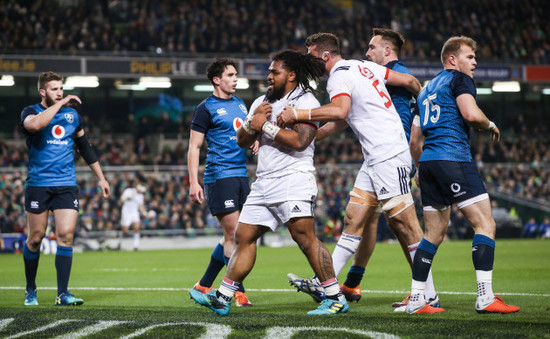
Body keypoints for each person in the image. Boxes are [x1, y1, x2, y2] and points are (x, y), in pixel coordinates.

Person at [278, 33, 435, 309]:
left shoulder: (339, 75)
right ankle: (324, 281)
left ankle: (427, 294)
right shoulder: (364, 66)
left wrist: (298, 115)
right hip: (374, 157)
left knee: (406, 225)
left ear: (324, 56)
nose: (308, 61)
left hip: (388, 153)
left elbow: (340, 110)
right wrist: (306, 138)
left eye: (310, 55)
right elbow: (408, 82)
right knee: (353, 217)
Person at [190, 50, 349, 316]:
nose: (269, 77)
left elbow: (301, 140)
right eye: (269, 72)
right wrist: (252, 125)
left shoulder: (304, 100)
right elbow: (241, 140)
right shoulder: (261, 102)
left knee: (305, 238)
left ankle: (334, 297)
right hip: (264, 182)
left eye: (275, 72)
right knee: (243, 238)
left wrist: (265, 127)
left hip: (294, 179)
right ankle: (224, 296)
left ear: (291, 74)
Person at [406, 36, 519, 314]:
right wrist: (490, 124)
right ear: (453, 60)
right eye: (470, 56)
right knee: (485, 224)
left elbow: (414, 142)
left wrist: (420, 169)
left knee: (432, 234)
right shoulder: (459, 79)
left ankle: (418, 299)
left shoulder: (424, 90)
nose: (475, 62)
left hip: (429, 164)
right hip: (454, 158)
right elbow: (470, 114)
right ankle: (486, 297)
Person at [21, 71, 110, 306]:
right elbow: (36, 126)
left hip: (66, 185)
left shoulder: (73, 116)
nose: (59, 92)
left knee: (66, 236)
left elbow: (85, 147)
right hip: (39, 184)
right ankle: (31, 289)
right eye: (54, 89)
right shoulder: (30, 112)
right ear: (43, 92)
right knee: (36, 238)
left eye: (61, 88)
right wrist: (60, 103)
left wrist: (101, 178)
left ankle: (62, 294)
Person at [187, 58, 254, 307]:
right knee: (235, 235)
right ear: (217, 80)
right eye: (230, 75)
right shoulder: (205, 108)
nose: (235, 79)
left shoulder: (240, 104)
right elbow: (194, 147)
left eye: (236, 74)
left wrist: (253, 140)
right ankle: (238, 292)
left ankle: (204, 285)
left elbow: (246, 133)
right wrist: (193, 182)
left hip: (240, 176)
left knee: (235, 235)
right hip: (219, 176)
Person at [118, 181, 146, 251]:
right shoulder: (128, 191)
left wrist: (145, 213)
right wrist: (129, 197)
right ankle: (119, 242)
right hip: (126, 212)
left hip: (134, 212)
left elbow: (141, 206)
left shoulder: (141, 196)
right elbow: (122, 199)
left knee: (136, 228)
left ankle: (136, 246)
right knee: (125, 231)